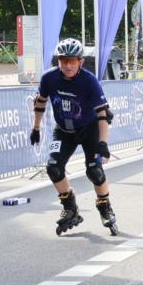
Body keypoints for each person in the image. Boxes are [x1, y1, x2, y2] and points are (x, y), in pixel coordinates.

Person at [30, 38, 118, 236]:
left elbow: (103, 114)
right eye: (64, 60)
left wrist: (103, 143)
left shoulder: (89, 81)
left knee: (94, 171)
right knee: (53, 167)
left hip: (90, 130)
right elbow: (41, 102)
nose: (68, 65)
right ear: (58, 61)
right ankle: (70, 207)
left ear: (80, 61)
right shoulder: (49, 78)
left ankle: (105, 207)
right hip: (64, 130)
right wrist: (35, 128)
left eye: (72, 60)